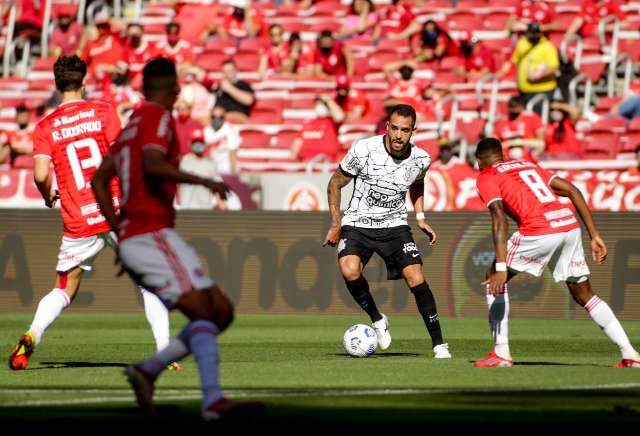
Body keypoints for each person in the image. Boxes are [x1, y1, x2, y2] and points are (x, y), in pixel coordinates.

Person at [91, 57, 264, 419]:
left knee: (221, 311)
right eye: (176, 86)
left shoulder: (131, 124)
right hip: (150, 234)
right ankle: (213, 401)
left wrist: (118, 230)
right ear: (172, 87)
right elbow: (153, 164)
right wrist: (204, 180)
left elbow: (98, 180)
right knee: (205, 312)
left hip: (146, 236)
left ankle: (147, 370)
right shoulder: (158, 117)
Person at [8, 56, 176, 371]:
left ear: (57, 87)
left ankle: (33, 333)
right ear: (83, 82)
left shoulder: (45, 127)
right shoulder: (103, 112)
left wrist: (48, 197)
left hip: (78, 219)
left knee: (64, 287)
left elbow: (41, 174)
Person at [473, 137, 640, 368]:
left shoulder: (486, 175)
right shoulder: (528, 165)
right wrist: (595, 235)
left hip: (538, 229)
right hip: (567, 224)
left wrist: (501, 268)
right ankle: (630, 354)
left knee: (493, 276)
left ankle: (501, 354)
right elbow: (572, 190)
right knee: (585, 295)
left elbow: (499, 217)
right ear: (502, 155)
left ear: (479, 160)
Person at [323, 104, 452, 359]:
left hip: (394, 225)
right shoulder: (364, 149)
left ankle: (439, 344)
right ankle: (377, 318)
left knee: (416, 278)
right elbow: (335, 183)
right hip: (358, 222)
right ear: (387, 127)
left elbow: (417, 183)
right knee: (349, 270)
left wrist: (421, 216)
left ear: (413, 131)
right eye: (394, 128)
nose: (398, 135)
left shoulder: (421, 159)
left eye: (405, 130)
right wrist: (336, 224)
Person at [497, 22, 559, 112]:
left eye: (536, 32)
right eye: (531, 32)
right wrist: (501, 73)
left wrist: (537, 75)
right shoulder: (522, 43)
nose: (534, 35)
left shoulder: (547, 46)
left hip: (542, 90)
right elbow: (514, 60)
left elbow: (554, 67)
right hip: (524, 91)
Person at [179, 129, 226, 210]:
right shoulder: (183, 162)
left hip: (204, 209)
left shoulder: (210, 163)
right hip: (186, 209)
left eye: (200, 142)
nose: (198, 145)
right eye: (195, 142)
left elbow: (218, 184)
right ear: (190, 144)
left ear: (204, 144)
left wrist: (220, 202)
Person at [203, 105, 241, 175]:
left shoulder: (230, 130)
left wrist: (234, 175)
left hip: (226, 169)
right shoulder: (206, 130)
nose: (216, 120)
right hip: (211, 169)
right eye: (213, 117)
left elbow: (232, 153)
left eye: (220, 117)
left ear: (225, 118)